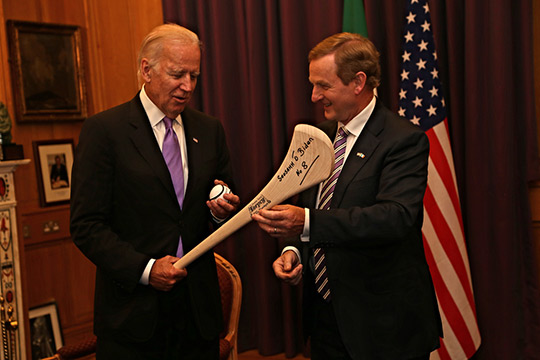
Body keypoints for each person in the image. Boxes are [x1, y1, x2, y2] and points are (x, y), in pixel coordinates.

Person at [252, 33, 442, 360]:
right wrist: (293, 251)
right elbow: (307, 207)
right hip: (326, 318)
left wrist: (306, 222)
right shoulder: (318, 138)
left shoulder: (403, 140)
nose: (314, 96)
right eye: (313, 85)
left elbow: (395, 217)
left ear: (358, 82)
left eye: (323, 86)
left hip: (384, 324)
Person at [70, 24, 240, 360]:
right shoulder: (105, 132)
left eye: (194, 75)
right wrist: (146, 270)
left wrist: (219, 206)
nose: (188, 86)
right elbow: (86, 225)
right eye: (178, 74)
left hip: (197, 316)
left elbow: (222, 191)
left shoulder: (209, 130)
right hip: (133, 317)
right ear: (146, 70)